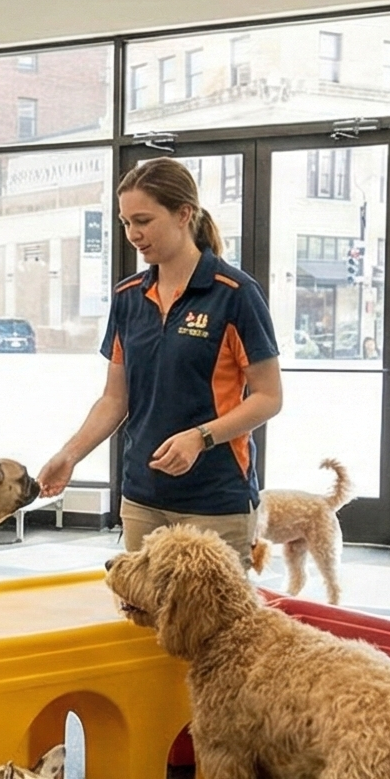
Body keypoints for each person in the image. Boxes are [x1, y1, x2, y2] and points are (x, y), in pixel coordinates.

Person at [37, 157, 282, 561]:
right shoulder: (128, 297)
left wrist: (200, 437)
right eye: (126, 222)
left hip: (216, 500)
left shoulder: (235, 294)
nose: (133, 234)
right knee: (142, 619)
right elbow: (115, 400)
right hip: (142, 498)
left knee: (213, 625)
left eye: (144, 220)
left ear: (184, 214)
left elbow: (269, 397)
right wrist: (70, 454)